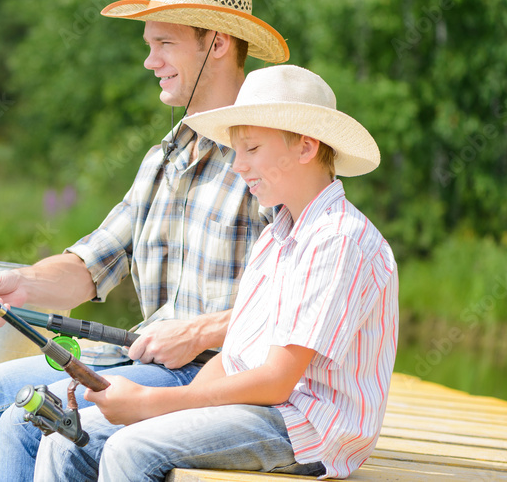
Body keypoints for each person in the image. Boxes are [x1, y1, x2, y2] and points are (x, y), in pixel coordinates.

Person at [0, 0, 290, 482]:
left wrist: (201, 330)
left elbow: (303, 299)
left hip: (210, 376)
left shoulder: (265, 156)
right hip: (133, 357)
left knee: (24, 424)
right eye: (148, 45)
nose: (149, 61)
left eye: (165, 44)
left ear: (217, 44)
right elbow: (94, 261)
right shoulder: (162, 158)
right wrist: (17, 285)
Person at [33, 64, 399, 481]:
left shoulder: (338, 237)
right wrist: (171, 401)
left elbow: (278, 382)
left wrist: (151, 403)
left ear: (305, 147)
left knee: (130, 450)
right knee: (66, 438)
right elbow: (234, 357)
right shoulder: (278, 236)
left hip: (304, 427)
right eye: (236, 150)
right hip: (257, 410)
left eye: (252, 149)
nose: (238, 165)